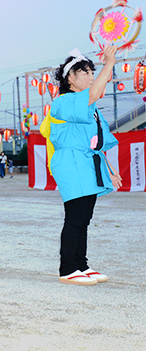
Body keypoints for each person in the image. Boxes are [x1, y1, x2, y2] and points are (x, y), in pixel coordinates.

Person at [40, 46, 122, 286]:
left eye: (91, 72)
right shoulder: (64, 101)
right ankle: (67, 268)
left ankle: (81, 265)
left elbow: (95, 143)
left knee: (84, 218)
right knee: (75, 217)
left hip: (86, 163)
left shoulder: (88, 106)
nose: (90, 76)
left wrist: (109, 169)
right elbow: (95, 93)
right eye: (84, 72)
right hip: (71, 163)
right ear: (70, 79)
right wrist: (110, 63)